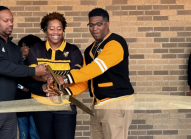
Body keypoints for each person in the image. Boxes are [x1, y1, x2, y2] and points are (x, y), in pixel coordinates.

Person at [0, 6, 49, 139]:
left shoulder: (14, 49)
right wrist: (35, 69)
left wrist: (41, 86)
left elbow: (22, 77)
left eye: (11, 20)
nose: (10, 23)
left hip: (9, 109)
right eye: (6, 20)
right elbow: (2, 67)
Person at [56, 8, 134, 139]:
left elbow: (98, 67)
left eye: (99, 24)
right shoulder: (89, 50)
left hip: (115, 103)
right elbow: (87, 80)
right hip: (97, 105)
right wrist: (65, 92)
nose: (94, 28)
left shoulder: (116, 43)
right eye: (91, 25)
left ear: (107, 23)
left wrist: (67, 78)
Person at [26, 12, 83, 139]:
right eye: (51, 29)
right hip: (41, 105)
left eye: (59, 28)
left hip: (65, 106)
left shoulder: (73, 50)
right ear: (45, 31)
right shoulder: (36, 48)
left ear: (63, 30)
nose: (55, 32)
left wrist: (58, 85)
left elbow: (76, 75)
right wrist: (46, 81)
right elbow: (32, 73)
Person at [15, 35, 42, 139]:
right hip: (21, 101)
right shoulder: (19, 63)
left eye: (26, 46)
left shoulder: (40, 64)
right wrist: (21, 87)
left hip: (35, 103)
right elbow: (13, 80)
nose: (23, 49)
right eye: (22, 46)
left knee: (34, 133)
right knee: (23, 133)